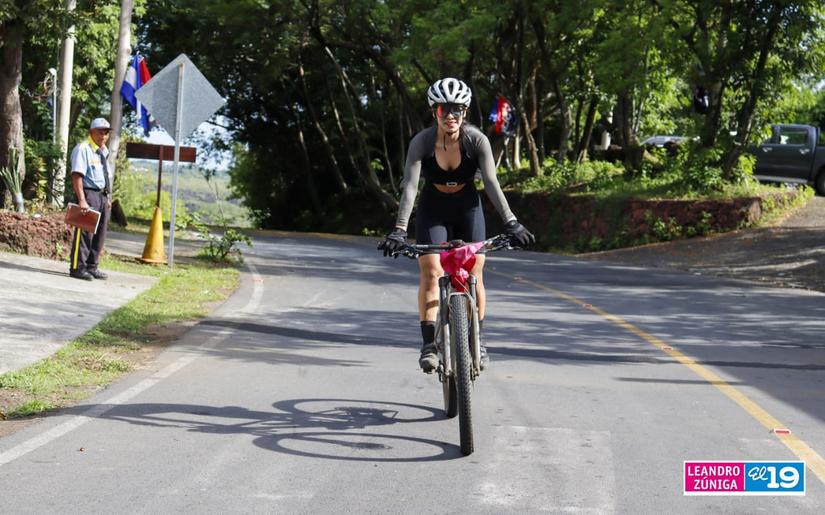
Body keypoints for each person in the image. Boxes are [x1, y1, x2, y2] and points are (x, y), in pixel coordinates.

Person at [378, 78, 535, 372]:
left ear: (464, 112)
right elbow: (410, 187)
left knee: (475, 271)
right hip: (433, 208)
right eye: (443, 110)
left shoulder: (476, 141)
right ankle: (428, 345)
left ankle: (479, 340)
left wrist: (512, 222)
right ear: (434, 111)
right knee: (431, 270)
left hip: (467, 208)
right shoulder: (422, 143)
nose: (450, 116)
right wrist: (399, 229)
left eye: (457, 110)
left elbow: (490, 183)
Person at [68, 117, 112, 281]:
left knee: (100, 233)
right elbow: (77, 176)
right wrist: (82, 200)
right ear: (91, 132)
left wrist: (107, 196)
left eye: (106, 132)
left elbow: (105, 176)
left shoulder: (103, 151)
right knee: (85, 232)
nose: (103, 135)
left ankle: (92, 266)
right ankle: (78, 267)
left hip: (101, 195)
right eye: (100, 132)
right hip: (88, 193)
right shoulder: (83, 149)